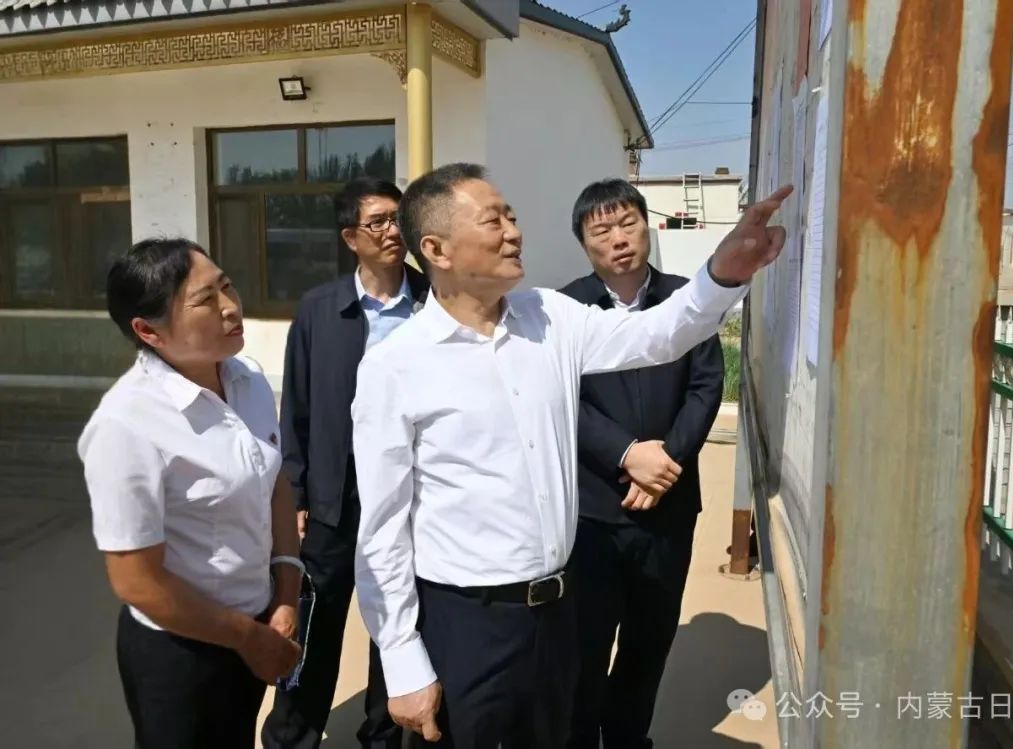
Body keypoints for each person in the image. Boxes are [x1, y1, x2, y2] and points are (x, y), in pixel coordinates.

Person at [349, 162, 791, 749]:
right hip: (468, 622)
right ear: (437, 249)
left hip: (558, 611)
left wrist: (723, 274)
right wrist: (402, 659)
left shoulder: (548, 317)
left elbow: (654, 335)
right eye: (493, 221)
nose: (514, 232)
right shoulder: (395, 365)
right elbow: (381, 529)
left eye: (511, 216)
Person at [77, 238, 303, 749]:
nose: (231, 306)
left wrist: (286, 591)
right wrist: (248, 639)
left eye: (228, 286)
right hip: (182, 652)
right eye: (205, 300)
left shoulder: (246, 379)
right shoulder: (126, 424)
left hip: (258, 625)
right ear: (148, 330)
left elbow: (273, 481)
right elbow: (137, 581)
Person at [559, 179, 725, 749]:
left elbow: (706, 386)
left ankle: (628, 738)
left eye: (628, 223)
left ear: (646, 225)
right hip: (593, 511)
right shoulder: (565, 310)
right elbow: (563, 399)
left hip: (668, 508)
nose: (619, 239)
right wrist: (627, 455)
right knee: (584, 643)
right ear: (584, 244)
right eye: (602, 230)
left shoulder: (686, 301)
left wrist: (666, 463)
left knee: (649, 641)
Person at [263, 178, 427, 749]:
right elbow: (297, 410)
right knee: (314, 627)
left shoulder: (434, 302)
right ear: (350, 237)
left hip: (412, 501)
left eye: (398, 218)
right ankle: (293, 736)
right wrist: (297, 494)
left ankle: (382, 738)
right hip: (335, 499)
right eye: (377, 221)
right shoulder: (320, 309)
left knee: (397, 628)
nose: (392, 231)